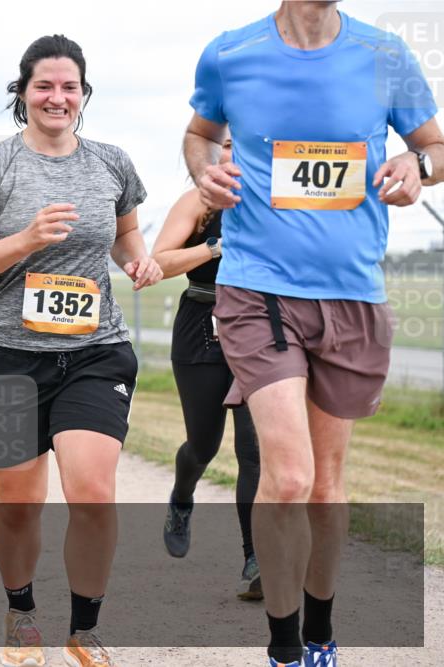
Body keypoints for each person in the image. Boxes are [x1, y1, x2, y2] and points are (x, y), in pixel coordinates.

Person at [185, 3, 442, 665]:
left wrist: (418, 167)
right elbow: (198, 133)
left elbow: (435, 145)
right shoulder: (230, 53)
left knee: (327, 483)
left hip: (353, 292)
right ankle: (284, 647)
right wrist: (203, 169)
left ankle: (322, 634)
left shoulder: (385, 54)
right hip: (257, 286)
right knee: (291, 476)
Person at [0, 34, 162, 667]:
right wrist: (26, 240)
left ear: (84, 94)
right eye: (44, 85)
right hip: (10, 356)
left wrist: (139, 260)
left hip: (96, 351)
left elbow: (125, 238)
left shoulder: (111, 162)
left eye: (69, 86)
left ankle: (85, 628)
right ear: (23, 93)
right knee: (18, 501)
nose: (57, 97)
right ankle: (20, 612)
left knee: (92, 490)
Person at [151, 136, 262, 600]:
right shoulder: (196, 202)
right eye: (228, 145)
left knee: (254, 449)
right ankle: (181, 498)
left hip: (260, 326)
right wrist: (216, 247)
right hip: (203, 324)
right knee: (204, 444)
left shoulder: (277, 201)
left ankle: (256, 559)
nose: (235, 154)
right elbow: (159, 261)